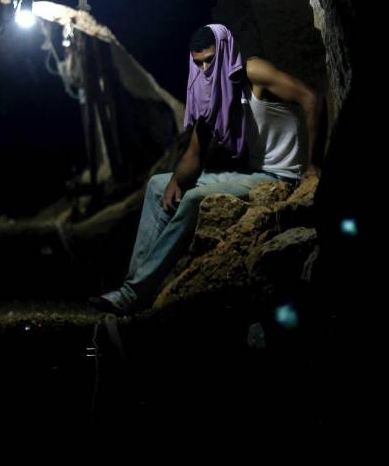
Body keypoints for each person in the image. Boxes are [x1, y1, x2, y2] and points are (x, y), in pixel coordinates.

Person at [89, 23, 322, 315]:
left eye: (210, 59)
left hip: (281, 178)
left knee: (194, 198)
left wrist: (311, 164)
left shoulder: (254, 72)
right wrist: (176, 179)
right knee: (158, 186)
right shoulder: (209, 91)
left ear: (224, 51)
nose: (204, 68)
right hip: (255, 174)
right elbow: (195, 152)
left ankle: (133, 293)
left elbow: (312, 99)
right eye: (198, 62)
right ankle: (133, 291)